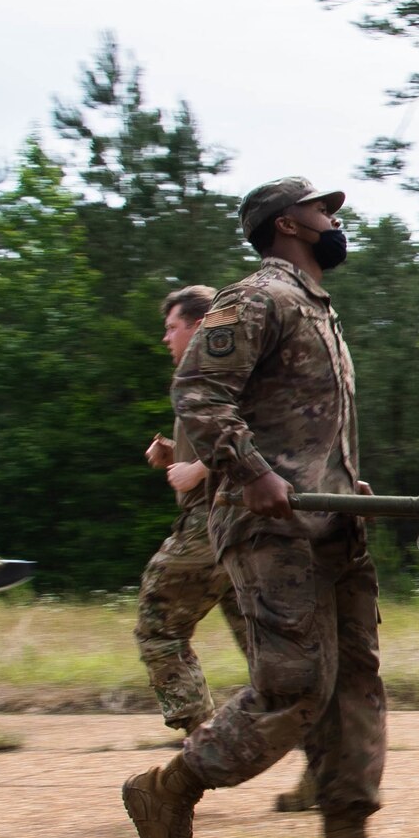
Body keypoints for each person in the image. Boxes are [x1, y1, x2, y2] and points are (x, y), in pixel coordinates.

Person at [122, 177, 419, 838]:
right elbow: (198, 392)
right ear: (290, 221)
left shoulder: (316, 307)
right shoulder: (257, 297)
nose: (335, 221)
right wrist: (252, 472)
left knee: (354, 683)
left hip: (331, 522)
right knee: (294, 687)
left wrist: (348, 485)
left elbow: (307, 426)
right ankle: (169, 788)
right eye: (327, 210)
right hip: (272, 529)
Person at [135, 286, 249, 734]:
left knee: (157, 628)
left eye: (172, 327)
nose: (166, 338)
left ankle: (200, 750)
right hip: (243, 526)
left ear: (200, 325)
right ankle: (323, 769)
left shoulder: (216, 373)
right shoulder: (211, 373)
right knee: (271, 656)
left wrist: (199, 470)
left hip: (211, 525)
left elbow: (253, 430)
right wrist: (173, 452)